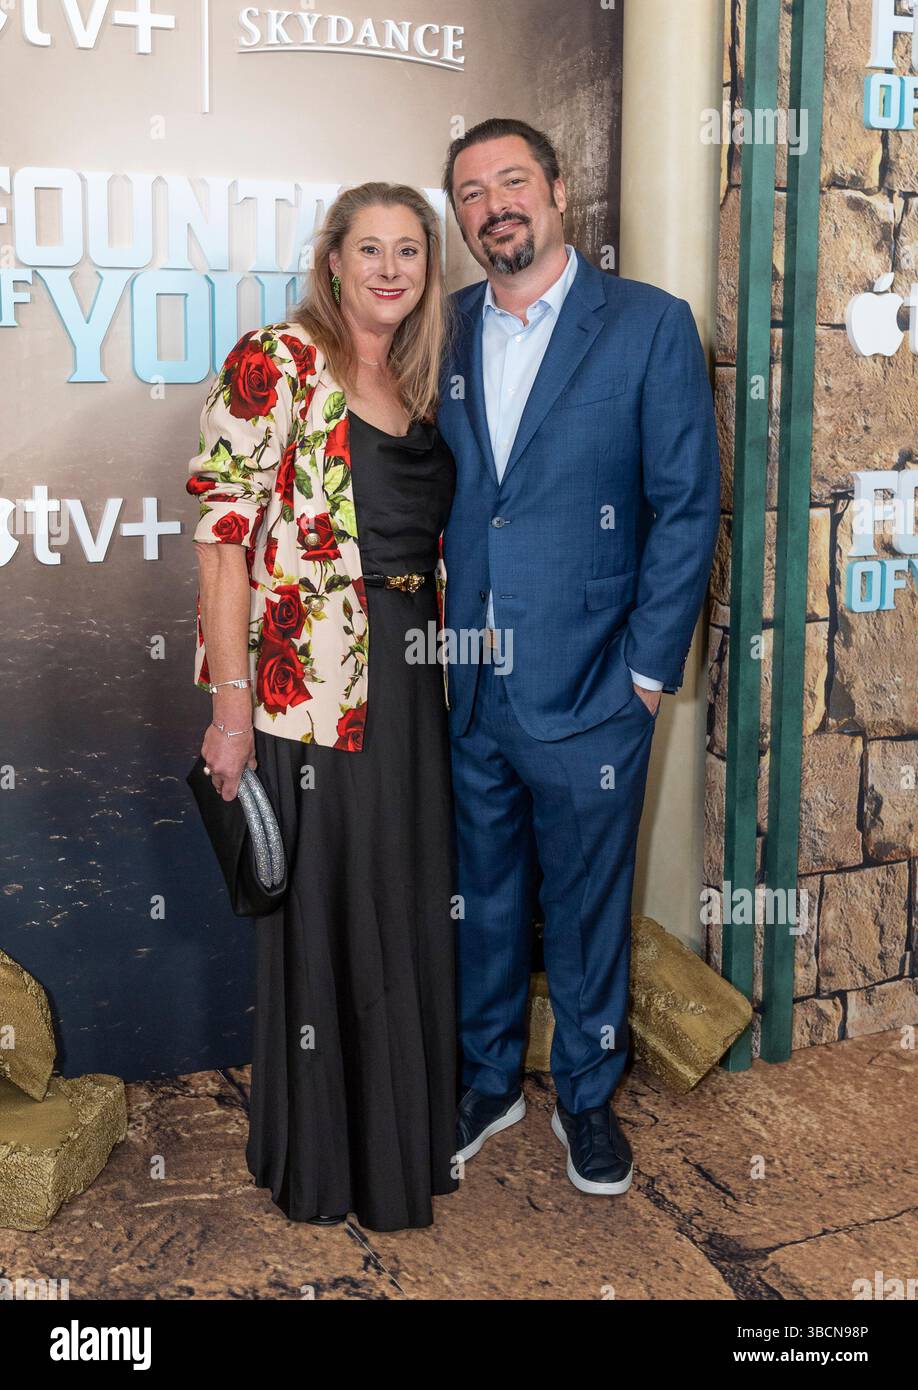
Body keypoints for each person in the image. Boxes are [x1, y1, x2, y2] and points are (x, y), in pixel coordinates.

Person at [438, 118, 721, 1194]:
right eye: (472, 191)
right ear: (461, 216)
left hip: (598, 688)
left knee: (592, 905)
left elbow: (687, 507)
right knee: (486, 895)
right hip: (471, 683)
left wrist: (645, 676)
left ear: (560, 191)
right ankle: (489, 1079)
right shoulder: (445, 328)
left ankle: (590, 1100)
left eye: (515, 180)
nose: (496, 203)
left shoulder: (647, 325)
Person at [186, 183, 458, 1231]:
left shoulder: (416, 375)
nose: (391, 269)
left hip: (416, 673)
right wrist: (227, 709)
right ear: (331, 261)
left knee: (403, 900)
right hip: (317, 687)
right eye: (370, 250)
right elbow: (223, 543)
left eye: (410, 252)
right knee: (334, 910)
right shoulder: (280, 359)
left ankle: (397, 1146)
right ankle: (330, 1160)